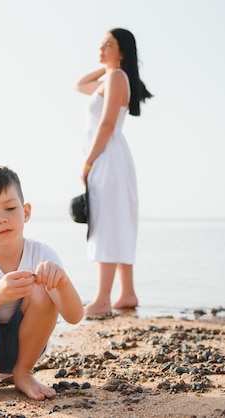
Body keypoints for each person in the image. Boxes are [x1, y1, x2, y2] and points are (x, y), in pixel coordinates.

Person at [0, 164, 84, 401]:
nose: (1, 219)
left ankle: (23, 373)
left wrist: (62, 282)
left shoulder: (42, 254)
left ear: (26, 212)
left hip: (26, 349)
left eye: (10, 208)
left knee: (45, 290)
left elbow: (74, 316)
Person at [74, 28, 152, 316]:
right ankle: (127, 293)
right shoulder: (112, 77)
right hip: (111, 157)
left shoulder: (118, 77)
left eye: (109, 44)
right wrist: (107, 64)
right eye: (102, 43)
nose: (101, 47)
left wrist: (87, 163)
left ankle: (103, 299)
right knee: (117, 222)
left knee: (107, 223)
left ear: (122, 51)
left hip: (108, 157)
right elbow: (79, 84)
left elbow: (106, 124)